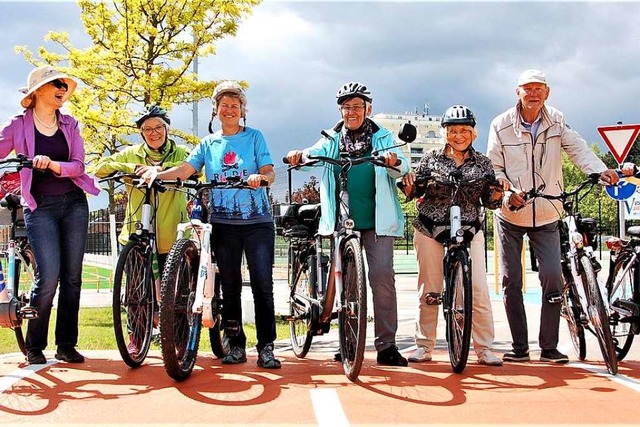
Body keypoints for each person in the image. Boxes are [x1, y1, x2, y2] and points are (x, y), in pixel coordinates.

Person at [140, 81, 281, 369]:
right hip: (223, 223)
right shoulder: (208, 144)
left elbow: (269, 170)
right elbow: (186, 169)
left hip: (257, 222)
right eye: (224, 105)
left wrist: (261, 178)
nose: (229, 110)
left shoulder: (255, 137)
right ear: (215, 110)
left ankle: (266, 347)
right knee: (228, 286)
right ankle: (236, 345)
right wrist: (158, 173)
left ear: (242, 110)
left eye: (234, 105)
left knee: (262, 285)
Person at [487, 69, 620, 363]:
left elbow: (578, 149)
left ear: (547, 92)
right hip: (511, 213)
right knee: (512, 281)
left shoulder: (557, 120)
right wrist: (508, 193)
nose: (533, 93)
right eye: (527, 88)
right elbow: (494, 169)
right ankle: (520, 347)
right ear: (517, 92)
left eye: (539, 88)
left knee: (552, 277)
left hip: (548, 210)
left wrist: (599, 172)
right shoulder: (500, 124)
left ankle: (548, 346)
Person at [286, 81, 410, 366]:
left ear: (368, 108)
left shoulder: (383, 136)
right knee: (347, 283)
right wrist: (299, 155)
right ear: (340, 110)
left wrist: (393, 159)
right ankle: (349, 342)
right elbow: (310, 154)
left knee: (381, 279)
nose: (351, 111)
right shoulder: (331, 138)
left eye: (357, 106)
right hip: (343, 220)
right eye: (346, 107)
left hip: (378, 222)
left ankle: (386, 345)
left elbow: (403, 165)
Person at [0, 65, 100, 364]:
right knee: (48, 277)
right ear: (38, 91)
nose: (62, 89)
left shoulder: (70, 124)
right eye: (56, 84)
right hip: (39, 206)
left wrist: (54, 165)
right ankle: (34, 345)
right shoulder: (17, 125)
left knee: (73, 277)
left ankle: (66, 344)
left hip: (73, 203)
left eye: (64, 85)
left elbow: (78, 166)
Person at [401, 105, 504, 366]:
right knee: (430, 288)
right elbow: (414, 193)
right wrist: (412, 185)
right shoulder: (431, 159)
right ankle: (424, 346)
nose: (459, 136)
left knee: (478, 289)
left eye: (464, 131)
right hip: (431, 227)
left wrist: (497, 193)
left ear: (473, 133)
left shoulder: (483, 162)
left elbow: (490, 202)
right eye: (453, 131)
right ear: (445, 133)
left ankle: (485, 349)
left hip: (469, 227)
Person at [92, 105, 190, 273]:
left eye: (158, 127)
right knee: (135, 295)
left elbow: (194, 168)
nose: (154, 133)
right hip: (136, 236)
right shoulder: (131, 152)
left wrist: (162, 169)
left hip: (173, 239)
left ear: (167, 129)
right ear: (141, 133)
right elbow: (99, 168)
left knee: (174, 296)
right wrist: (131, 168)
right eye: (147, 129)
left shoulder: (181, 152)